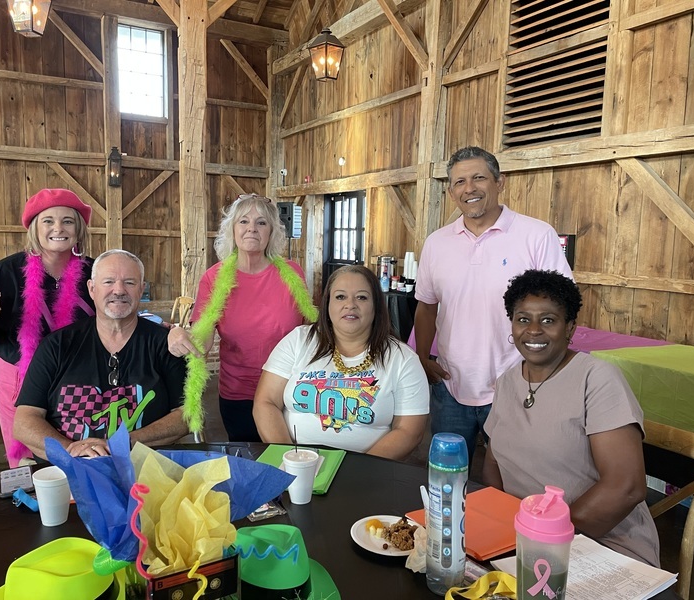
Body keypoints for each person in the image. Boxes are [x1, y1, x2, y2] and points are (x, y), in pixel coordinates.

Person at [483, 269, 659, 566]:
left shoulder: (597, 379)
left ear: (569, 328)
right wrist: (503, 530)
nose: (533, 330)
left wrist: (544, 537)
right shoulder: (507, 382)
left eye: (548, 320)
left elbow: (626, 487)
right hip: (522, 540)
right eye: (523, 319)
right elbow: (493, 463)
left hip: (600, 545)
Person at [413, 146, 573, 463]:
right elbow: (427, 306)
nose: (469, 188)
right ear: (451, 192)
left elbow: (562, 306)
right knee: (447, 474)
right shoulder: (436, 243)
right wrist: (421, 358)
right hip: (450, 385)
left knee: (514, 475)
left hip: (517, 384)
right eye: (459, 182)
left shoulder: (536, 235)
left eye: (479, 178)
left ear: (500, 182)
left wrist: (542, 370)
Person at [0, 188, 95, 467]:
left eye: (68, 221)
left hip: (80, 377)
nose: (58, 228)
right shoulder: (5, 273)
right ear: (34, 228)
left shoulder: (95, 272)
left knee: (80, 454)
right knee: (28, 462)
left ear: (79, 228)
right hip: (16, 377)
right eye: (48, 221)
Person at [13, 250, 188, 460]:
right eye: (108, 282)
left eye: (130, 282)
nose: (119, 290)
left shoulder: (164, 345)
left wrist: (121, 444)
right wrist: (71, 450)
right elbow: (25, 420)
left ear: (141, 289)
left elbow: (186, 416)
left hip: (142, 467)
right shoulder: (57, 345)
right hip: (69, 467)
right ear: (92, 288)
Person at [168, 194, 316, 442]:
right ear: (232, 230)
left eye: (261, 222)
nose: (252, 228)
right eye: (243, 221)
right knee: (249, 459)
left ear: (271, 232)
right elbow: (202, 342)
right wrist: (177, 334)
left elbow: (309, 330)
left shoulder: (292, 273)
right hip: (239, 393)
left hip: (289, 390)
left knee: (292, 458)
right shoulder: (214, 278)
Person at [254, 265, 429, 461]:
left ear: (376, 306)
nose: (350, 305)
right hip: (293, 463)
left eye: (362, 297)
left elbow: (409, 431)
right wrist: (289, 459)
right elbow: (266, 402)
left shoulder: (403, 359)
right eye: (340, 297)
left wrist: (355, 471)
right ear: (327, 304)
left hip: (366, 470)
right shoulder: (298, 341)